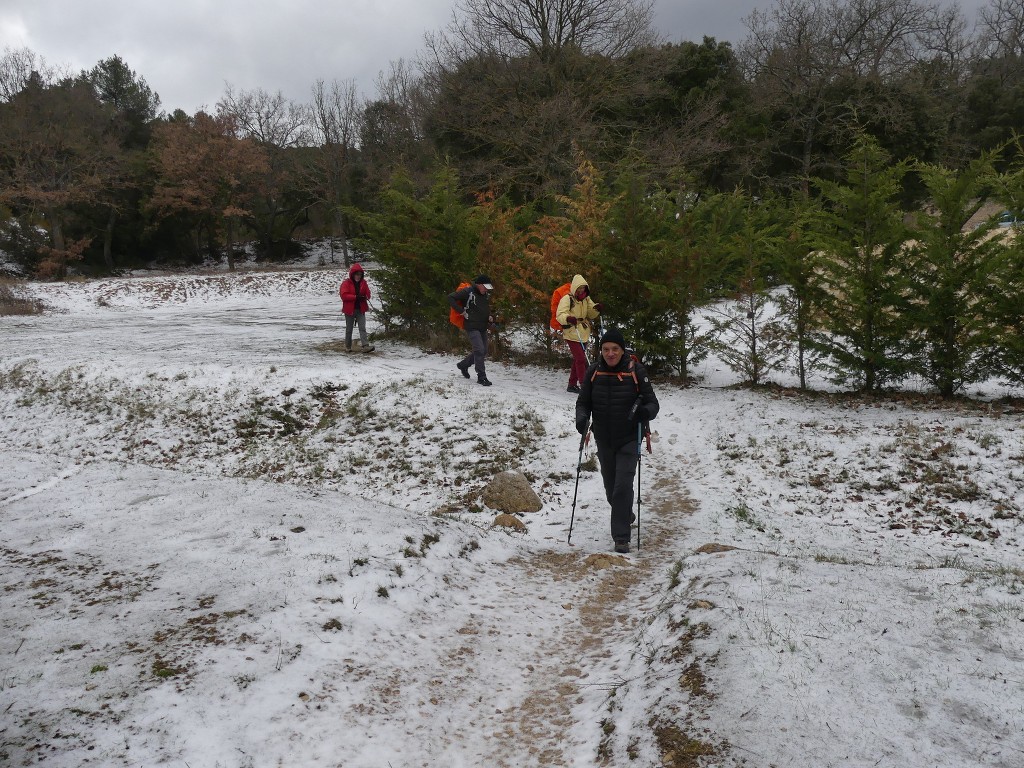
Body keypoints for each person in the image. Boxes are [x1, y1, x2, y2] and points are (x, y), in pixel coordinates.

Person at [575, 328, 659, 554]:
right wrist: (582, 420)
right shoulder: (593, 372)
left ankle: (621, 537)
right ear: (600, 351)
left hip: (629, 438)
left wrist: (644, 413)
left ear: (622, 351)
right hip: (604, 438)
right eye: (606, 349)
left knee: (622, 486)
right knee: (611, 489)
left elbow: (653, 404)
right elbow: (583, 403)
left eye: (615, 349)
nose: (610, 354)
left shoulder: (636, 371)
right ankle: (625, 514)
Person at [556, 274, 602, 393]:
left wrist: (596, 309)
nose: (581, 290)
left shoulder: (586, 298)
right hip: (572, 331)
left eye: (583, 288)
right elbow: (560, 314)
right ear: (575, 288)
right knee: (581, 359)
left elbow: (591, 313)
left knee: (578, 359)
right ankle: (583, 384)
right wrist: (568, 318)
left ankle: (571, 384)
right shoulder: (567, 299)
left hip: (582, 331)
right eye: (579, 288)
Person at [449, 275, 495, 386]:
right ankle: (481, 377)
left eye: (488, 287)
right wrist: (461, 311)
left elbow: (483, 309)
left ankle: (463, 365)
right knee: (479, 350)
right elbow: (450, 297)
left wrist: (490, 317)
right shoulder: (468, 292)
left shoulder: (485, 294)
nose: (487, 289)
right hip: (471, 326)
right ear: (479, 285)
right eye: (485, 286)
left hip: (482, 326)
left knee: (483, 351)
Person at [339, 263, 374, 352]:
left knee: (362, 328)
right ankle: (348, 346)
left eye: (360, 274)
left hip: (360, 309)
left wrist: (365, 296)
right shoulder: (346, 283)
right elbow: (344, 296)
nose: (358, 276)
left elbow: (368, 294)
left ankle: (365, 346)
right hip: (349, 310)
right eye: (357, 274)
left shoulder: (364, 283)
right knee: (349, 329)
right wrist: (355, 297)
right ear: (353, 274)